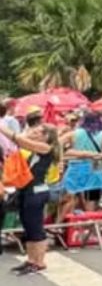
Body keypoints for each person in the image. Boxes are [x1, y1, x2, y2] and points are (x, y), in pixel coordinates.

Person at [4, 109, 62, 275]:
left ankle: (39, 261)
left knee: (36, 228)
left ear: (45, 136)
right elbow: (22, 138)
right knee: (28, 227)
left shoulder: (45, 147)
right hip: (27, 191)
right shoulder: (38, 147)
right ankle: (30, 259)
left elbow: (18, 139)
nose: (34, 133)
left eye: (38, 132)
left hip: (37, 192)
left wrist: (2, 128)